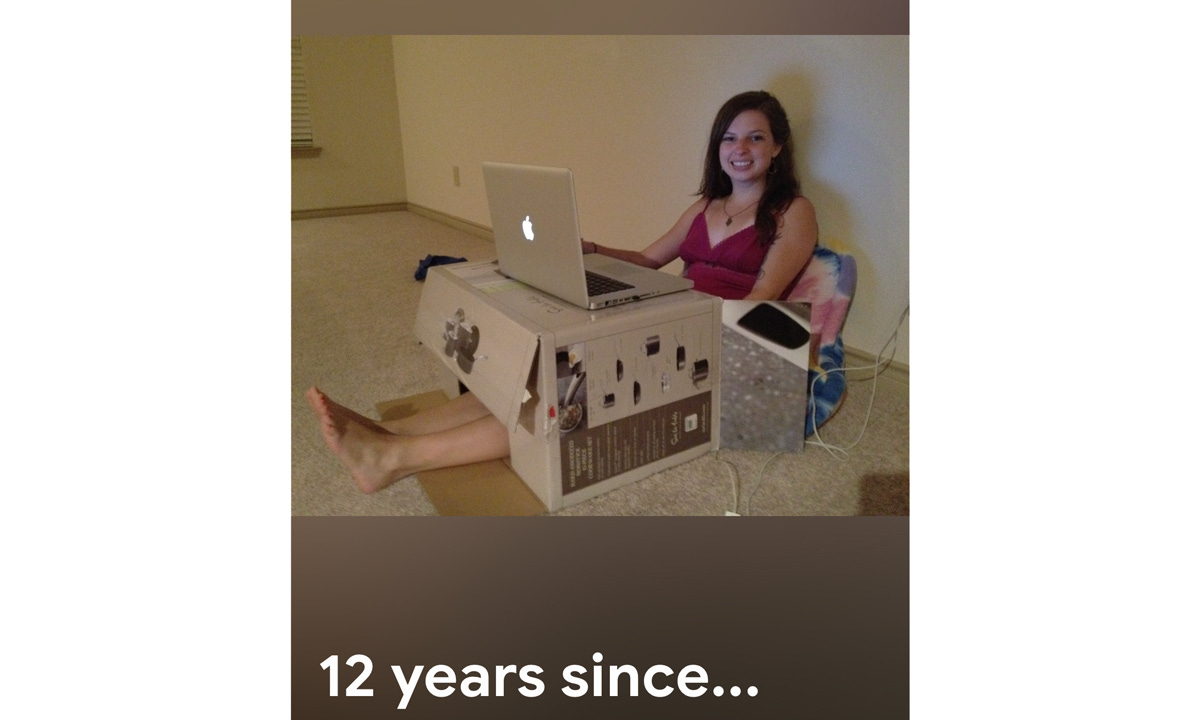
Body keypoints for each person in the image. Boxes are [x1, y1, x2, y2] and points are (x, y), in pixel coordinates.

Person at [307, 90, 817, 494]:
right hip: (673, 314)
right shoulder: (706, 206)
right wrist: (588, 248)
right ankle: (393, 431)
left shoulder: (793, 211)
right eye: (730, 138)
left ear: (777, 147)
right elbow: (648, 261)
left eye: (755, 138)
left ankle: (393, 459)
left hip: (720, 335)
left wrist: (668, 321)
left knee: (566, 391)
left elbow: (762, 296)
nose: (740, 149)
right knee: (536, 370)